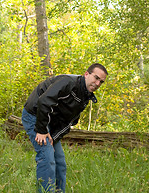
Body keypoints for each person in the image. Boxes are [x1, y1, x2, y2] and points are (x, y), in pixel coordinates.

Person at [22, 63, 108, 193]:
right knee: (47, 158)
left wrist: (53, 138)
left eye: (101, 82)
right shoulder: (68, 82)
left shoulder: (85, 97)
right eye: (96, 78)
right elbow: (44, 101)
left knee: (60, 163)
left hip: (49, 123)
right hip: (35, 115)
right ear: (86, 74)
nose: (97, 83)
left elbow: (68, 123)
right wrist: (41, 130)